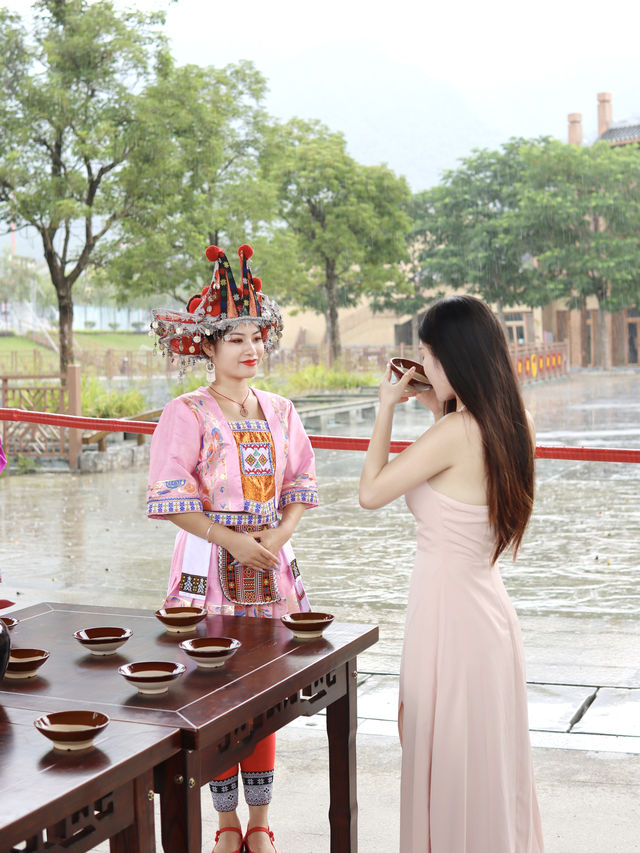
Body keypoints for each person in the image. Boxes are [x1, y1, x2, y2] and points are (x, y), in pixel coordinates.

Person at [148, 244, 318, 853]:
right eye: (235, 339)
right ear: (208, 348)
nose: (250, 348)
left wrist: (276, 537)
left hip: (271, 560)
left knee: (267, 689)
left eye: (256, 336)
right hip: (210, 560)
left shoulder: (281, 409)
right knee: (215, 691)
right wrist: (231, 541)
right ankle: (223, 823)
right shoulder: (185, 412)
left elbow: (300, 483)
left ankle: (261, 821)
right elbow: (170, 496)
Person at [359, 295, 544, 853]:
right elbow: (466, 471)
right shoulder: (516, 423)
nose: (423, 364)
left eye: (427, 355)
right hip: (486, 616)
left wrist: (387, 405)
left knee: (441, 755)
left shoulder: (453, 434)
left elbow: (371, 493)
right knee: (486, 764)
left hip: (447, 620)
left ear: (450, 359)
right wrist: (437, 405)